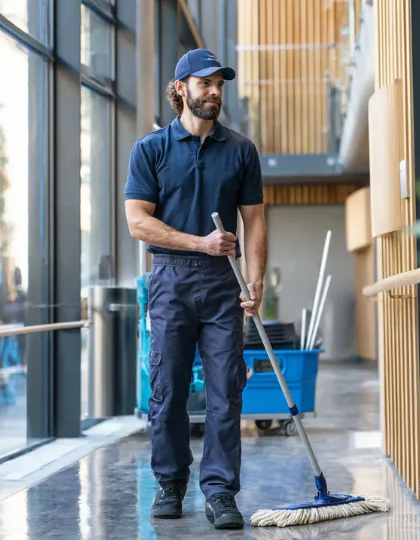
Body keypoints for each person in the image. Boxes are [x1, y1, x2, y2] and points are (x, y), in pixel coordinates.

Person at [124, 48, 267, 529]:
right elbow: (138, 223)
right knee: (167, 390)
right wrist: (199, 242)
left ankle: (221, 491)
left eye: (220, 85)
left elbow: (256, 221)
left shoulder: (241, 150)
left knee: (228, 391)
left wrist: (257, 278)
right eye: (206, 83)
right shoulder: (151, 150)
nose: (215, 92)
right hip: (170, 279)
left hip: (223, 282)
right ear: (181, 88)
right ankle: (170, 483)